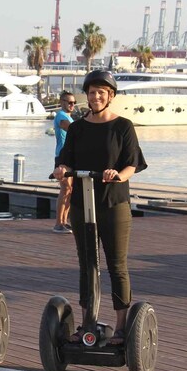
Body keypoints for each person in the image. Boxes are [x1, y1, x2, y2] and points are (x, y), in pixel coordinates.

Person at [52, 70, 146, 346]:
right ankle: (87, 323)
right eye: (92, 92)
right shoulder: (78, 127)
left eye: (101, 92)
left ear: (111, 96)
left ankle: (120, 327)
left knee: (116, 264)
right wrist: (61, 169)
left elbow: (132, 163)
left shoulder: (123, 126)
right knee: (87, 265)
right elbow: (66, 160)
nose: (95, 97)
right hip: (83, 203)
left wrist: (118, 174)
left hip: (113, 202)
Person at [52, 91, 76, 234]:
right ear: (62, 102)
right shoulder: (61, 116)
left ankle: (64, 221)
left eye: (73, 102)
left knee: (70, 190)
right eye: (69, 102)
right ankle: (58, 223)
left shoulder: (69, 117)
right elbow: (71, 129)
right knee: (65, 189)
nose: (71, 105)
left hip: (71, 156)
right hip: (62, 156)